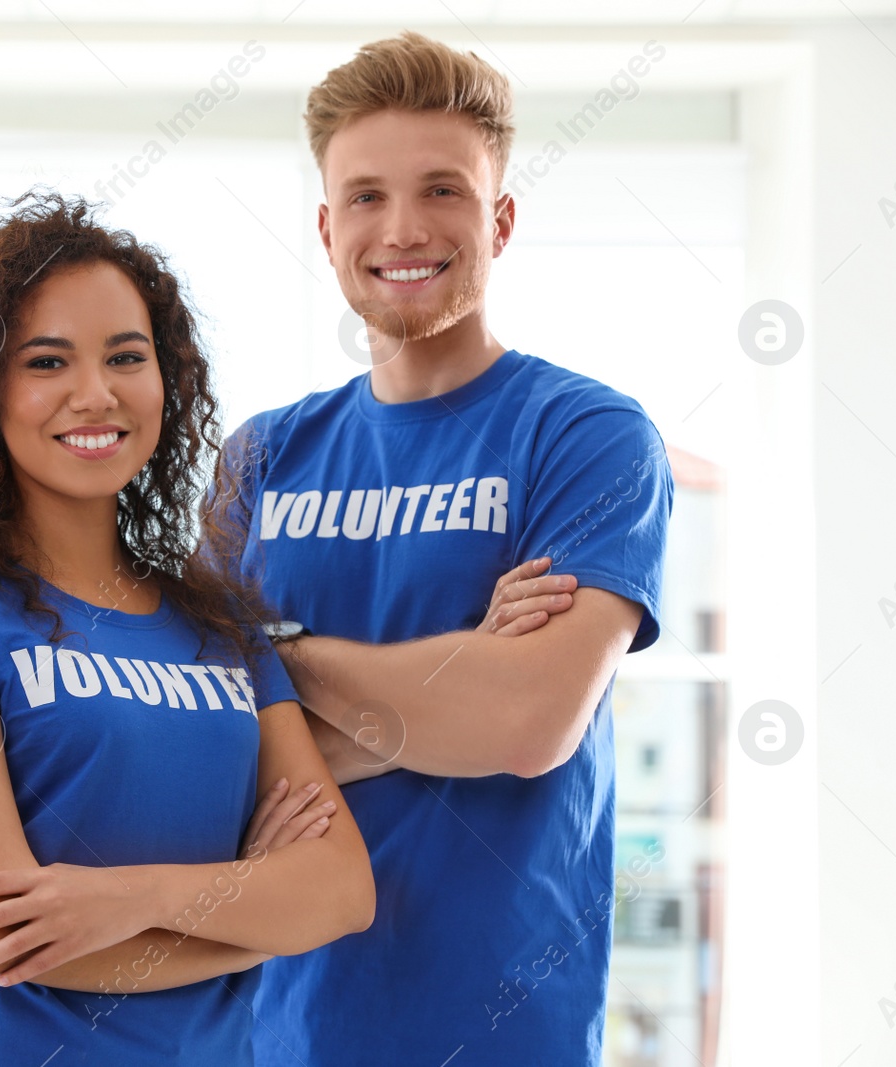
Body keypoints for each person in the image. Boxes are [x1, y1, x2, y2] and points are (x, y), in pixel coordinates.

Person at [219, 32, 676, 1066]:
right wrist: (458, 662)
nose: (405, 228)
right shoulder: (258, 459)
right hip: (268, 1029)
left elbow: (523, 722)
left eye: (442, 190)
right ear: (328, 228)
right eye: (368, 197)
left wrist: (275, 666)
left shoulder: (586, 438)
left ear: (499, 218)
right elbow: (204, 752)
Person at [0, 192, 377, 1066]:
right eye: (47, 361)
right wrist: (256, 912)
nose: (94, 394)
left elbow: (341, 889)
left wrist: (132, 897)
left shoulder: (223, 624)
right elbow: (3, 936)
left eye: (125, 357)